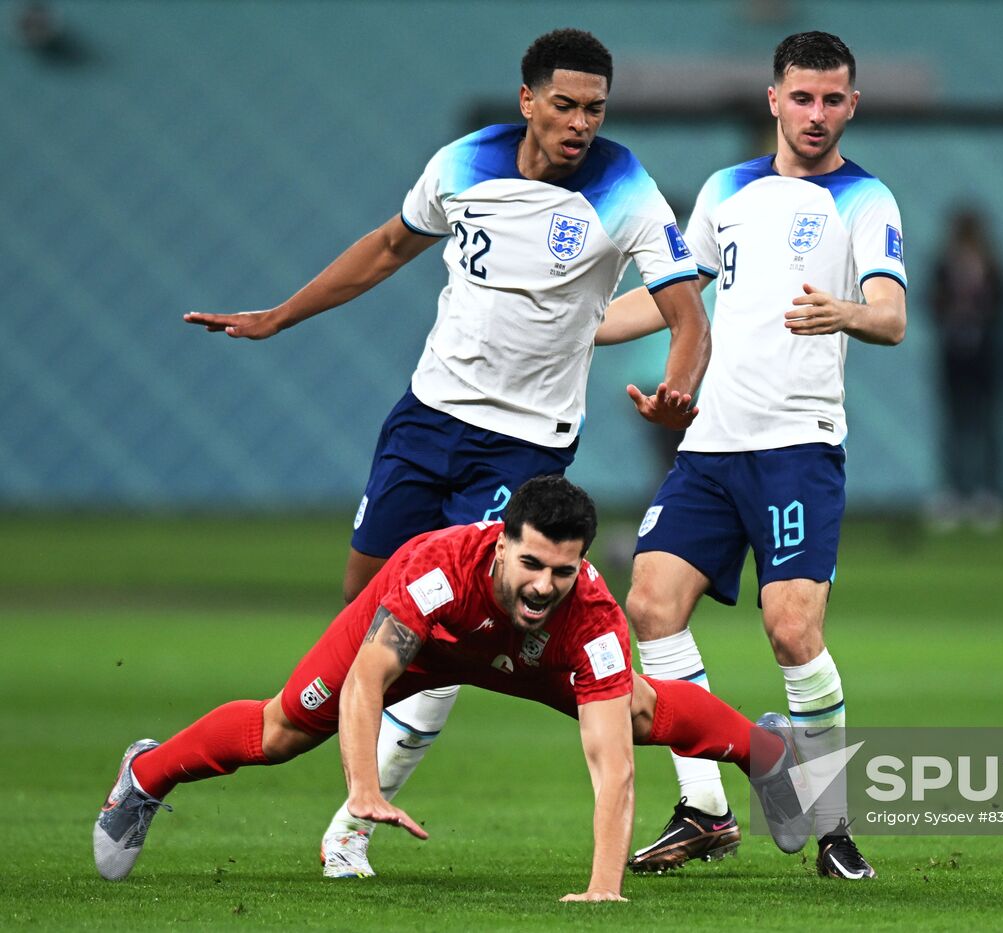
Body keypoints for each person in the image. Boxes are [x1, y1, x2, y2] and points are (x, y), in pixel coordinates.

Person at [183, 29, 712, 875]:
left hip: (524, 445)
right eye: (567, 105)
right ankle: (324, 755)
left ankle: (354, 822)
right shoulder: (463, 163)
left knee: (458, 619)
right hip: (425, 419)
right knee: (365, 620)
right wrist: (280, 315)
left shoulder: (627, 191)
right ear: (528, 100)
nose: (582, 124)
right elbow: (389, 247)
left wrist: (677, 390)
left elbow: (688, 317)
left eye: (596, 109)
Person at [93, 476, 802, 901]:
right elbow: (369, 679)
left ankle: (767, 749)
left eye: (562, 570)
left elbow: (611, 765)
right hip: (426, 644)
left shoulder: (589, 618)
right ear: (501, 543)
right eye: (530, 563)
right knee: (280, 730)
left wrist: (602, 887)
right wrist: (364, 787)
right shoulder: (434, 572)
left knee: (640, 713)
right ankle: (145, 775)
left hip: (530, 651)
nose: (543, 583)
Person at [593, 31, 906, 880]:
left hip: (798, 446)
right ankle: (704, 809)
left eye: (832, 99)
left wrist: (840, 311)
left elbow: (891, 317)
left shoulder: (867, 200)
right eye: (801, 97)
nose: (816, 114)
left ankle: (834, 824)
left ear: (852, 105)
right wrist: (573, 326)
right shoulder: (727, 190)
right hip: (711, 446)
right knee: (651, 606)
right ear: (774, 99)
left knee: (791, 629)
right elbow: (674, 303)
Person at [927, 208, 1003, 530]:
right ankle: (953, 492)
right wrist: (951, 311)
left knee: (985, 425)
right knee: (954, 426)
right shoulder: (945, 264)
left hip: (984, 353)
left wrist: (980, 312)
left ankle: (987, 493)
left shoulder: (992, 265)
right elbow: (930, 301)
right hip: (953, 353)